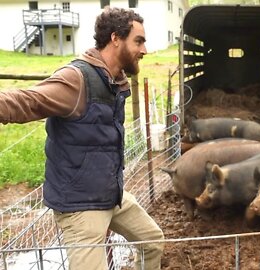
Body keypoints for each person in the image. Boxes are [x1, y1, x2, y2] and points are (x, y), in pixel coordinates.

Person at [0, 7, 164, 270]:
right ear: (115, 38)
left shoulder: (113, 81)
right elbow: (27, 101)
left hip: (110, 194)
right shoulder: (76, 80)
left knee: (152, 241)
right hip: (80, 206)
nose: (145, 50)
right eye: (139, 41)